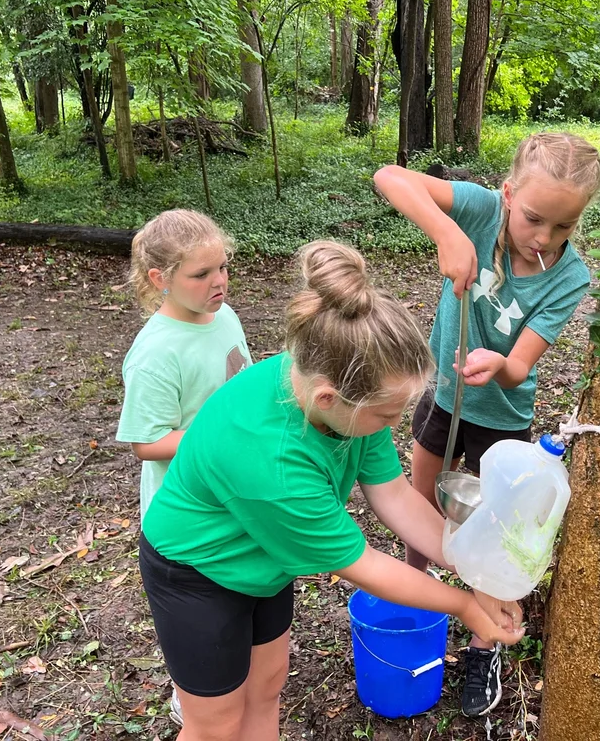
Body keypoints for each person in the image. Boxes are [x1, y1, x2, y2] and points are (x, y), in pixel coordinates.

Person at [138, 240, 524, 741]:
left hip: (261, 561)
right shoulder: (273, 462)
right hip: (196, 572)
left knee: (267, 686)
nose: (394, 424)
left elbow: (395, 496)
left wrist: (475, 571)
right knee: (215, 725)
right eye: (386, 415)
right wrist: (466, 605)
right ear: (328, 397)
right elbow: (363, 564)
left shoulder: (342, 385)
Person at [373, 131, 600, 717]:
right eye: (533, 219)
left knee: (494, 531)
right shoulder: (478, 211)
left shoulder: (569, 278)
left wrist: (500, 364)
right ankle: (416, 594)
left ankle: (484, 644)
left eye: (563, 226)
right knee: (421, 502)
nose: (544, 238)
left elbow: (521, 364)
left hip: (502, 421)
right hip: (443, 398)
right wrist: (447, 233)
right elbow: (389, 178)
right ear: (507, 194)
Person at [116, 208, 253, 724]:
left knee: (237, 601)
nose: (219, 282)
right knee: (199, 614)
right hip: (184, 516)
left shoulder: (225, 316)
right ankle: (190, 692)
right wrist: (221, 435)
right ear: (160, 279)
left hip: (230, 498)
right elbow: (147, 442)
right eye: (201, 274)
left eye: (223, 268)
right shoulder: (156, 353)